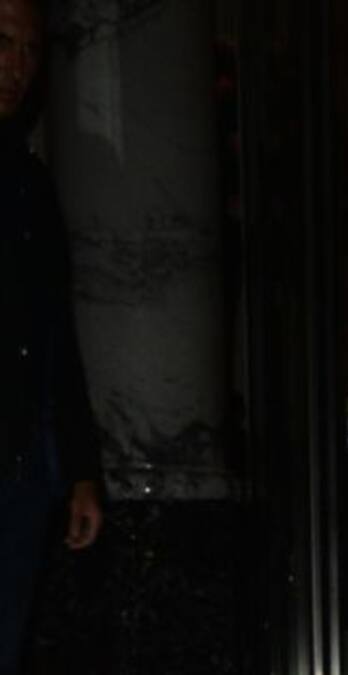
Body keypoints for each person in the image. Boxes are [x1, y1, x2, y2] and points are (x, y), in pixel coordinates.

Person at [0, 0, 104, 670]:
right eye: (2, 43)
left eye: (30, 50)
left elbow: (56, 336)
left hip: (22, 469)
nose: (17, 65)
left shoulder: (30, 182)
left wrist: (80, 470)